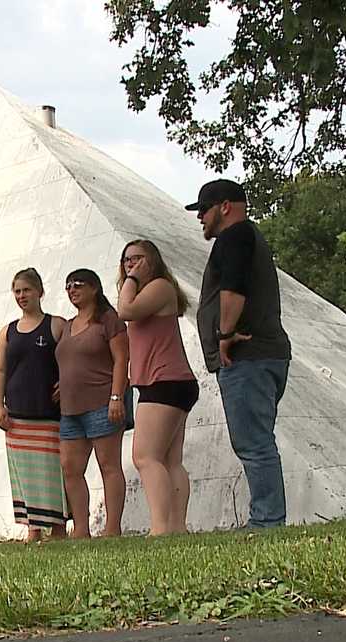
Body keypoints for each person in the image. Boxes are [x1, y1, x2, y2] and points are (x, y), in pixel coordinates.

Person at [186, 179, 293, 528]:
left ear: (225, 206)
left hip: (249, 355)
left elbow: (233, 287)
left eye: (204, 209)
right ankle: (267, 518)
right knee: (257, 440)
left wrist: (225, 334)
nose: (200, 217)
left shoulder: (234, 236)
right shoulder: (248, 237)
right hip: (266, 353)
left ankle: (267, 522)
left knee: (253, 443)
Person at [116, 239, 198, 535]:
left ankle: (160, 528)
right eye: (127, 260)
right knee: (169, 460)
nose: (131, 264)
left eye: (138, 259)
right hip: (170, 381)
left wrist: (132, 279)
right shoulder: (155, 290)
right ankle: (176, 528)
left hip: (165, 381)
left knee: (145, 456)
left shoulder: (160, 287)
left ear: (153, 262)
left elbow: (126, 310)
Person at [0, 268, 69, 543]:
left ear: (40, 291)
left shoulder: (57, 325)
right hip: (17, 415)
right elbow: (0, 370)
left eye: (26, 290)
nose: (22, 296)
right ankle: (32, 528)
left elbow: (72, 360)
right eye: (17, 291)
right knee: (25, 473)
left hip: (48, 414)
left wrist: (68, 383)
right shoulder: (7, 332)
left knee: (51, 472)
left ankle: (58, 528)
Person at [53, 268, 129, 538]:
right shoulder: (67, 326)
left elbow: (121, 358)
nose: (72, 290)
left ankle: (112, 528)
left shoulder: (109, 320)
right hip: (70, 409)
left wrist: (116, 396)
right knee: (70, 468)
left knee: (108, 465)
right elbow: (71, 359)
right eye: (68, 286)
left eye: (78, 285)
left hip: (102, 402)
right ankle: (81, 528)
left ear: (94, 288)